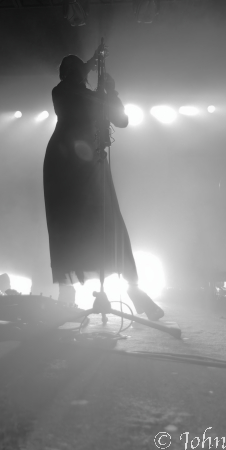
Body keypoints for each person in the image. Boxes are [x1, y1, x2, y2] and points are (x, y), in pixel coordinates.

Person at [42, 46, 164, 320]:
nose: (77, 74)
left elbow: (122, 121)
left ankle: (134, 290)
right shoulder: (62, 91)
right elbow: (80, 93)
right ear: (67, 74)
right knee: (69, 225)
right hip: (65, 165)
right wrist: (98, 76)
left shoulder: (93, 95)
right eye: (73, 71)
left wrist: (112, 91)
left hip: (92, 164)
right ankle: (67, 293)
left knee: (110, 223)